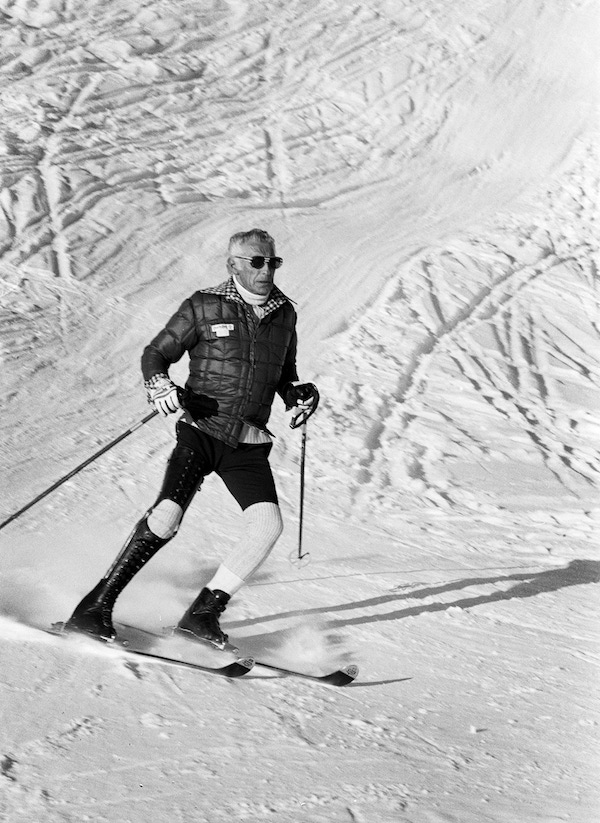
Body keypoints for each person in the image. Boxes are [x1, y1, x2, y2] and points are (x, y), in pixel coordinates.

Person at [64, 228, 318, 648]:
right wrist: (161, 385)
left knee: (267, 525)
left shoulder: (285, 314)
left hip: (248, 440)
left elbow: (284, 373)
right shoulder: (203, 305)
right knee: (167, 516)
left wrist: (298, 394)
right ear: (233, 264)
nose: (266, 269)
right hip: (202, 431)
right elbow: (155, 354)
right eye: (257, 261)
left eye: (273, 262)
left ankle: (201, 617)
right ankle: (94, 608)